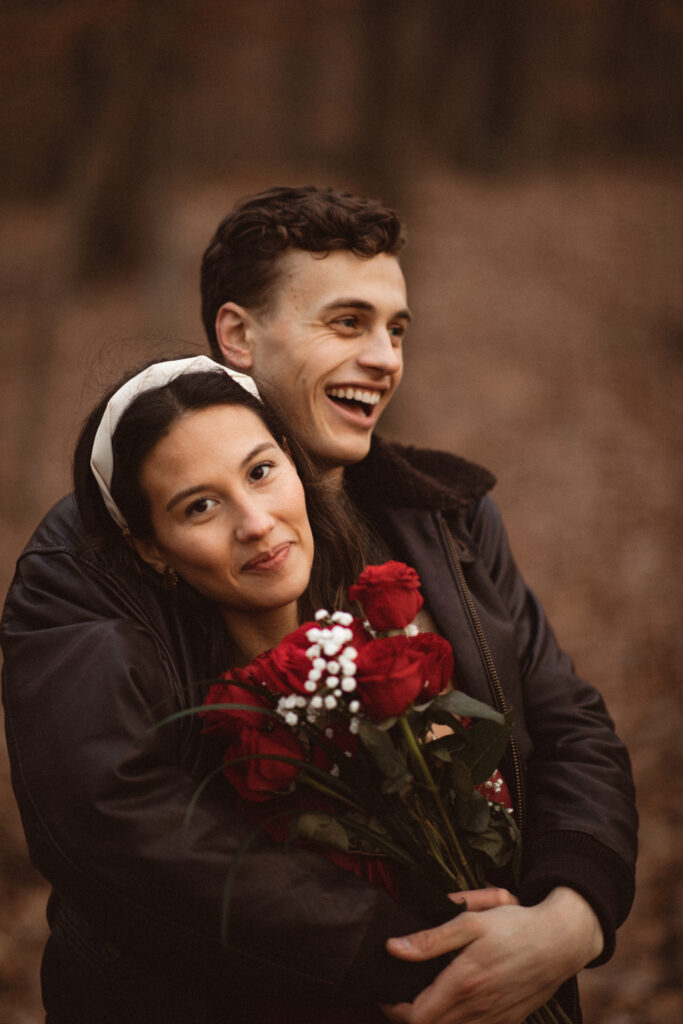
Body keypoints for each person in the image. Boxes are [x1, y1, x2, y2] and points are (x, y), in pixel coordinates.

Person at [0, 186, 637, 1024]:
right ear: (236, 336)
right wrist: (422, 958)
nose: (384, 357)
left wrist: (570, 915)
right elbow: (119, 827)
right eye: (347, 322)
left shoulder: (445, 515)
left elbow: (567, 726)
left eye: (395, 328)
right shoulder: (87, 564)